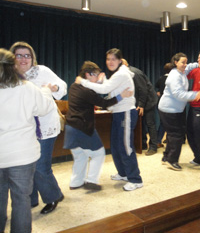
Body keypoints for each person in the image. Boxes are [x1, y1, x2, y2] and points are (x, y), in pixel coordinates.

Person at [0, 48, 55, 233]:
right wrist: (46, 91)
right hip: (23, 156)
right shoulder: (27, 88)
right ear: (13, 65)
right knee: (21, 200)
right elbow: (45, 108)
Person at [10, 42, 66, 214]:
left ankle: (53, 196)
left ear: (32, 58)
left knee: (41, 166)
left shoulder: (41, 71)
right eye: (19, 55)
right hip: (23, 129)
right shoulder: (9, 76)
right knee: (27, 164)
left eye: (27, 55)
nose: (23, 59)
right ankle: (31, 198)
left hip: (45, 127)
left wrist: (55, 87)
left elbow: (62, 86)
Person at [75, 48, 143, 191]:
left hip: (126, 113)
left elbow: (105, 89)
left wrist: (84, 82)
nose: (110, 62)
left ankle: (136, 179)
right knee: (116, 146)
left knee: (125, 146)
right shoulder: (117, 75)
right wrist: (103, 80)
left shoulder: (122, 74)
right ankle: (124, 173)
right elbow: (110, 89)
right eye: (108, 59)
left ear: (119, 60)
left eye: (113, 59)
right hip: (118, 113)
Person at [64, 61, 133, 191]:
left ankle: (76, 182)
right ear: (88, 75)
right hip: (82, 127)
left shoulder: (74, 86)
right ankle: (91, 180)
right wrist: (121, 96)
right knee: (99, 153)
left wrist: (100, 82)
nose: (97, 77)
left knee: (80, 156)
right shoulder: (86, 91)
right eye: (95, 75)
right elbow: (104, 103)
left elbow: (94, 92)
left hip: (70, 128)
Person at [158, 53, 200, 171]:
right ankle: (171, 160)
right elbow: (178, 94)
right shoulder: (174, 76)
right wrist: (196, 95)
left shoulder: (182, 71)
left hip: (176, 109)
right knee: (176, 134)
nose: (185, 64)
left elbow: (189, 67)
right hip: (169, 109)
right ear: (175, 63)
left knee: (172, 133)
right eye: (182, 62)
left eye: (186, 62)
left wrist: (199, 63)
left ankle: (166, 157)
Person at [122, 59, 159, 156]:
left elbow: (143, 89)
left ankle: (153, 146)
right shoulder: (126, 74)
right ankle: (142, 144)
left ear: (125, 64)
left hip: (148, 101)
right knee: (140, 124)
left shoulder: (134, 73)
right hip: (140, 101)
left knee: (150, 123)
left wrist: (141, 105)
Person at [155, 63, 172, 147]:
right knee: (170, 122)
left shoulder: (161, 78)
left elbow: (156, 85)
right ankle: (168, 140)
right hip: (170, 103)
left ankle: (158, 141)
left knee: (163, 122)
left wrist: (159, 92)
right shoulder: (173, 79)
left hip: (161, 102)